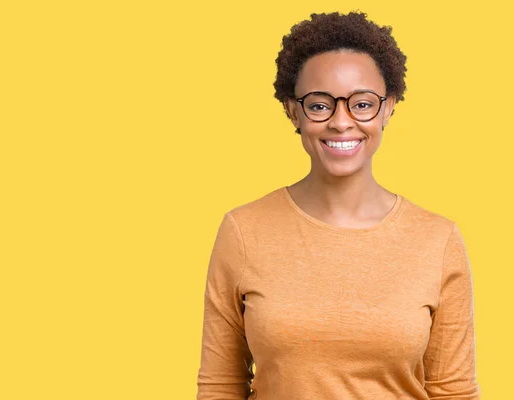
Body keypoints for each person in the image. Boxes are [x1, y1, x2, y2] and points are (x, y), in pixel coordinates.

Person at [196, 10, 481, 400]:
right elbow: (221, 386)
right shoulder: (243, 231)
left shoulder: (438, 239)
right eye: (319, 105)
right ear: (293, 111)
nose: (341, 122)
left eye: (362, 104)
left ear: (388, 107)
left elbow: (454, 391)